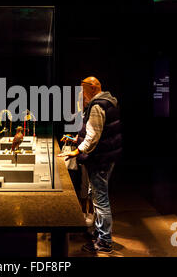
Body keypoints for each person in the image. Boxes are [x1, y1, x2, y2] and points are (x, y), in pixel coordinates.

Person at [59, 76, 122, 254]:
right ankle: (100, 234)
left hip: (100, 159)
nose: (82, 95)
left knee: (100, 200)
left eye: (83, 90)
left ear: (92, 88)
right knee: (97, 197)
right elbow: (99, 132)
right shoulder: (109, 101)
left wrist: (76, 150)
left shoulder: (97, 105)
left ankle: (105, 242)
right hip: (107, 157)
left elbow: (93, 136)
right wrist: (75, 138)